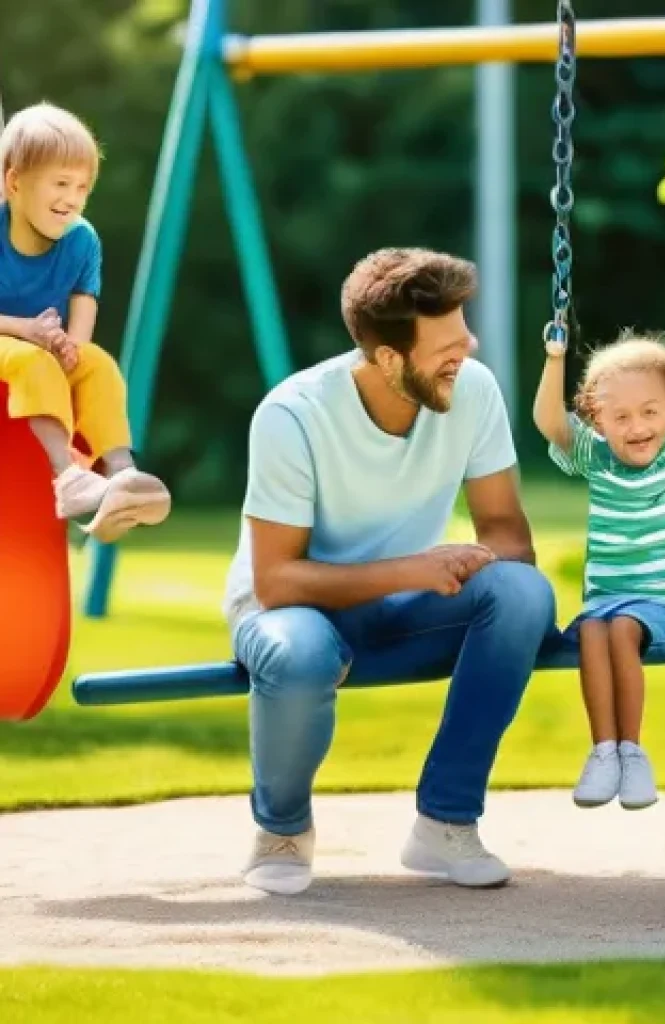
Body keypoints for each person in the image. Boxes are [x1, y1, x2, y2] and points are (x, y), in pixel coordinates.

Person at [224, 247, 557, 896]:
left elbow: (508, 536)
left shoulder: (473, 389)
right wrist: (415, 569)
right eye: (446, 344)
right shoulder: (292, 415)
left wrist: (473, 575)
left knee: (522, 593)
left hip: (402, 608)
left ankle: (446, 823)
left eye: (464, 332)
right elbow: (278, 582)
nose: (467, 348)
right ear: (387, 359)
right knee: (300, 653)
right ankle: (283, 829)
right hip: (291, 613)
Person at [533, 288, 665, 810]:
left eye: (649, 412)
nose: (637, 427)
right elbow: (549, 421)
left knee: (619, 629)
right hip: (607, 596)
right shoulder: (596, 458)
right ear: (597, 422)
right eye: (619, 417)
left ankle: (634, 753)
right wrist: (555, 359)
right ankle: (604, 751)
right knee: (595, 627)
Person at [0, 101, 170, 540]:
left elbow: (84, 300)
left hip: (44, 342)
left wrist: (72, 346)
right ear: (15, 183)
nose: (72, 198)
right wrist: (27, 331)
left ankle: (120, 470)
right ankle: (67, 476)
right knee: (32, 362)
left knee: (97, 364)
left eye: (82, 187)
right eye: (61, 183)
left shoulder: (81, 239)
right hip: (10, 339)